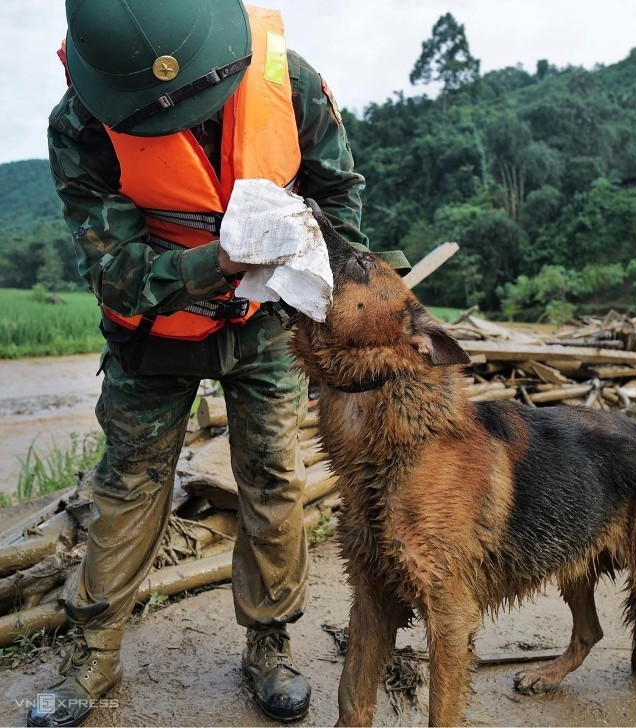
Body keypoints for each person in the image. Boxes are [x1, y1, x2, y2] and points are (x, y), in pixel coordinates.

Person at [28, 2, 408, 726]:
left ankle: (269, 642)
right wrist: (221, 259)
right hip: (152, 330)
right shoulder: (79, 123)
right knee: (130, 483)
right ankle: (94, 653)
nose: (172, 117)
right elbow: (117, 273)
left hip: (264, 323)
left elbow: (339, 196)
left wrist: (328, 288)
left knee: (271, 476)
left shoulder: (287, 82)